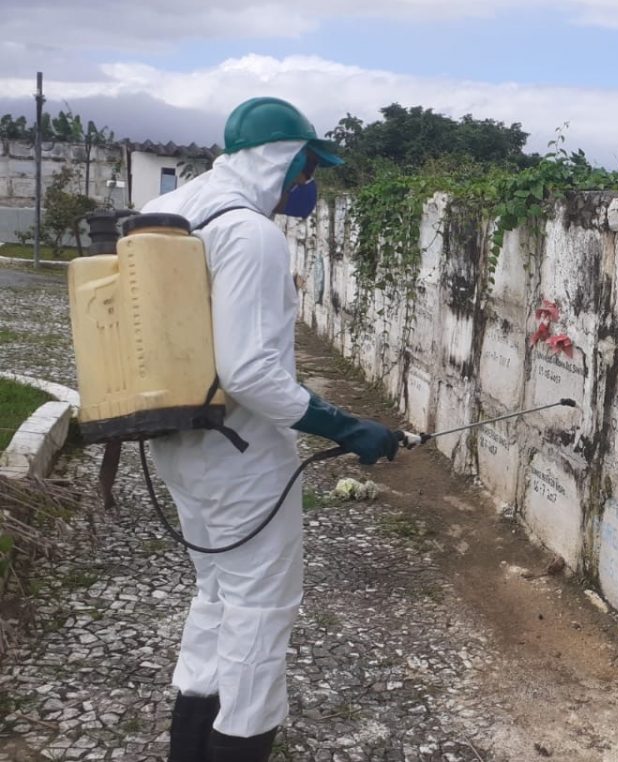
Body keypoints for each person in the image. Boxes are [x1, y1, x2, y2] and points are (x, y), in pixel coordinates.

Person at [142, 97, 413, 762]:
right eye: (309, 166)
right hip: (239, 457)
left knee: (217, 596)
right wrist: (345, 427)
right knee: (260, 615)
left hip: (178, 441)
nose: (308, 182)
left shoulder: (170, 210)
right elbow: (251, 372)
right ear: (286, 159)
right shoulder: (250, 234)